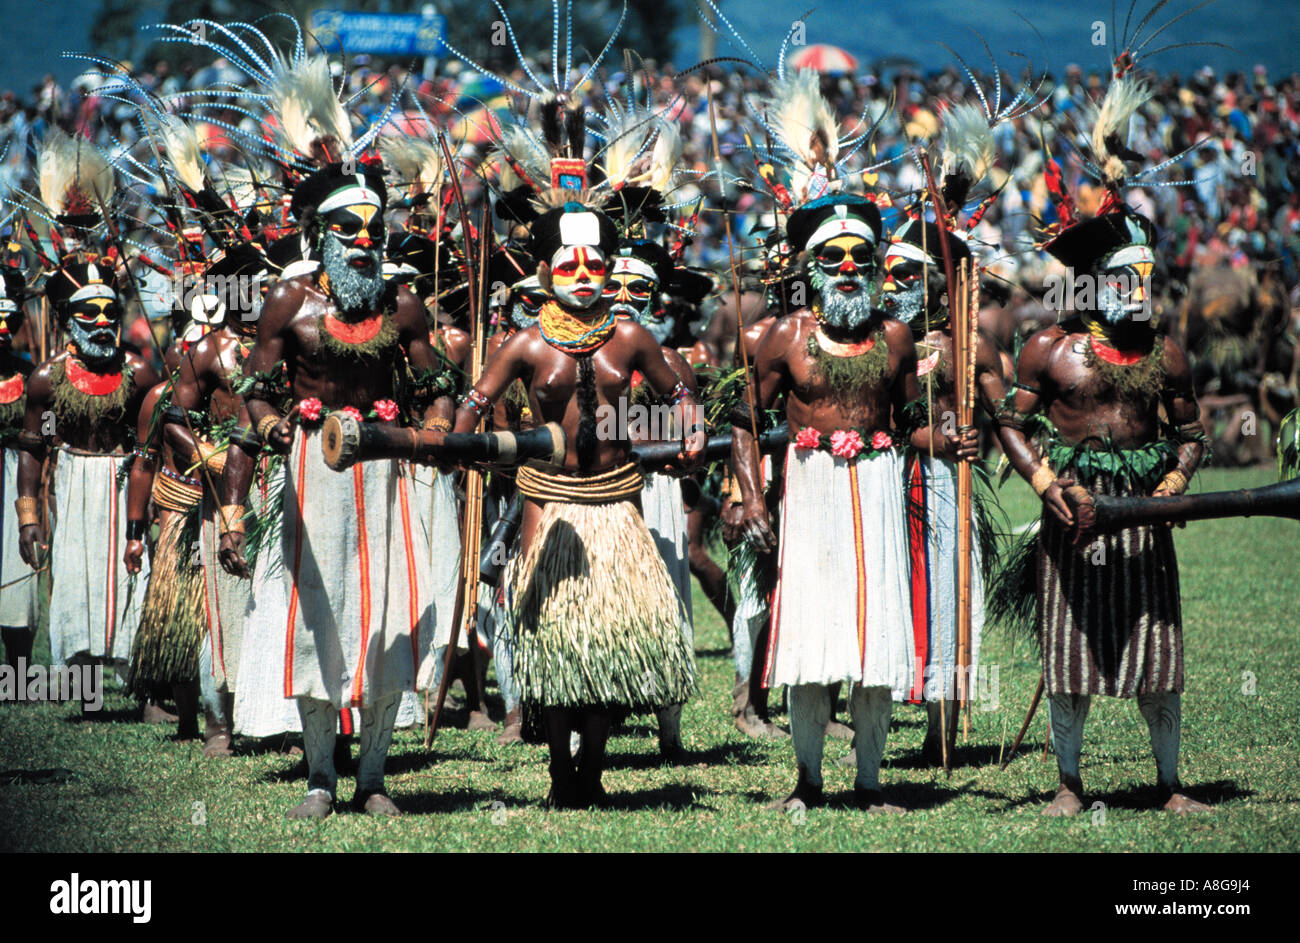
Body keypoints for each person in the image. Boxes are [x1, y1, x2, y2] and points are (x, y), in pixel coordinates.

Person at [996, 74, 1210, 815]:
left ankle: (1171, 782)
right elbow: (1012, 425)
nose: (1142, 290)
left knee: (1160, 655)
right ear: (1093, 283)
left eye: (1150, 277)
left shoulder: (1168, 354)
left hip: (1145, 522)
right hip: (1076, 518)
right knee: (1070, 655)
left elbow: (1191, 435)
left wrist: (1175, 483)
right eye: (1128, 277)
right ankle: (1068, 781)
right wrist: (1049, 485)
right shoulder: (1050, 351)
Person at [452, 191, 704, 808]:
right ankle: (559, 772)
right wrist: (459, 445)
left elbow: (680, 395)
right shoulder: (525, 343)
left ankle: (592, 769)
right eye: (570, 267)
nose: (585, 278)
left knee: (609, 635)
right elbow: (477, 403)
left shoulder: (630, 335)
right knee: (557, 635)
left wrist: (692, 427)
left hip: (617, 501)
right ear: (545, 272)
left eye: (596, 267)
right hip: (548, 501)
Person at [217, 160, 443, 818]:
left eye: (377, 228)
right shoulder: (289, 302)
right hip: (310, 475)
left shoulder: (402, 304)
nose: (368, 240)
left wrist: (432, 431)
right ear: (321, 236)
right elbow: (251, 401)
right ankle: (321, 777)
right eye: (350, 229)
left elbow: (438, 395)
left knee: (383, 620)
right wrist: (265, 442)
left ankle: (373, 778)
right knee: (314, 622)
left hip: (384, 476)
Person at [731, 190, 952, 812]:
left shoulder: (897, 337)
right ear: (811, 265)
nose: (849, 266)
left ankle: (870, 782)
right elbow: (745, 423)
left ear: (877, 264)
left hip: (880, 490)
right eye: (834, 256)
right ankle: (807, 781)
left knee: (876, 641)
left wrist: (947, 438)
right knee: (808, 639)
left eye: (861, 255)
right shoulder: (783, 338)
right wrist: (751, 497)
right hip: (810, 492)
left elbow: (910, 424)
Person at [0, 267, 39, 668]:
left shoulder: (29, 376)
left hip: (16, 478)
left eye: (8, 320)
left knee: (18, 571)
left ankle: (18, 670)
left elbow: (45, 430)